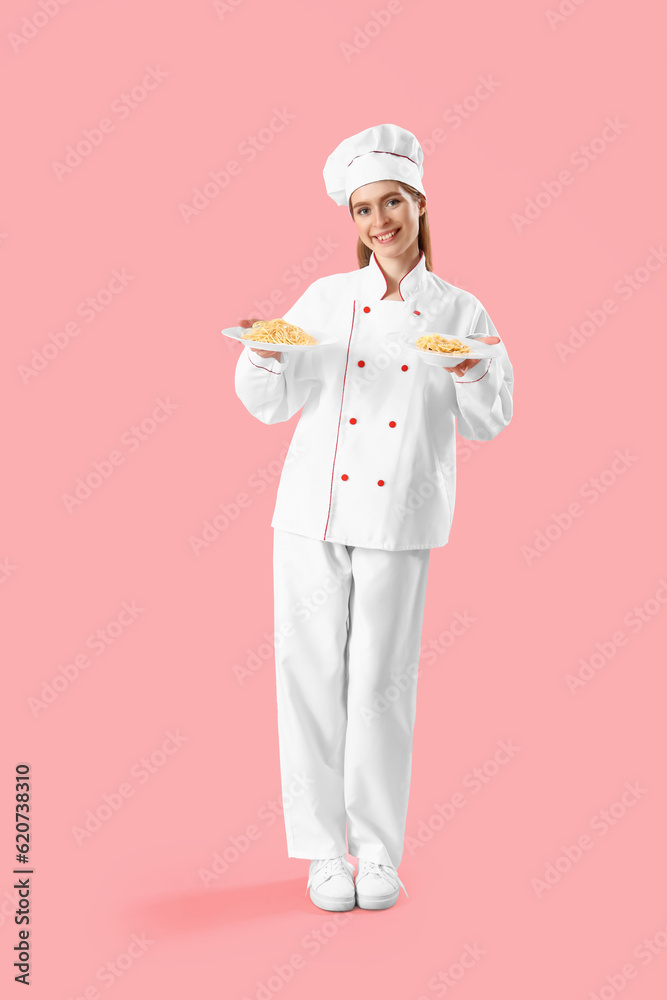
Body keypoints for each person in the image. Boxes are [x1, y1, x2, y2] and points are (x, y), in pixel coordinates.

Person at [233, 124, 514, 912]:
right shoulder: (323, 300)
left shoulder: (460, 308)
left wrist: (469, 369)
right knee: (308, 677)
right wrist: (260, 355)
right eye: (362, 209)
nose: (378, 221)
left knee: (382, 687)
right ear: (351, 221)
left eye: (391, 202)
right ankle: (324, 854)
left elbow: (491, 419)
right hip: (310, 513)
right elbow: (272, 402)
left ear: (420, 204)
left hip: (400, 512)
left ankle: (378, 854)